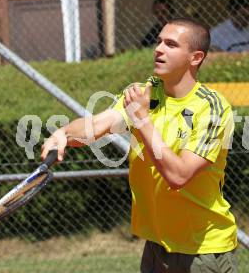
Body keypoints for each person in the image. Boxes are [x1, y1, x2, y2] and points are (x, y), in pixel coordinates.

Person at [42, 18, 238, 272]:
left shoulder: (212, 108)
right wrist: (64, 134)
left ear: (195, 57)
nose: (159, 49)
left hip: (203, 251)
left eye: (171, 44)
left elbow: (179, 176)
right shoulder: (144, 93)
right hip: (157, 245)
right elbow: (98, 125)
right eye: (158, 42)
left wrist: (142, 120)